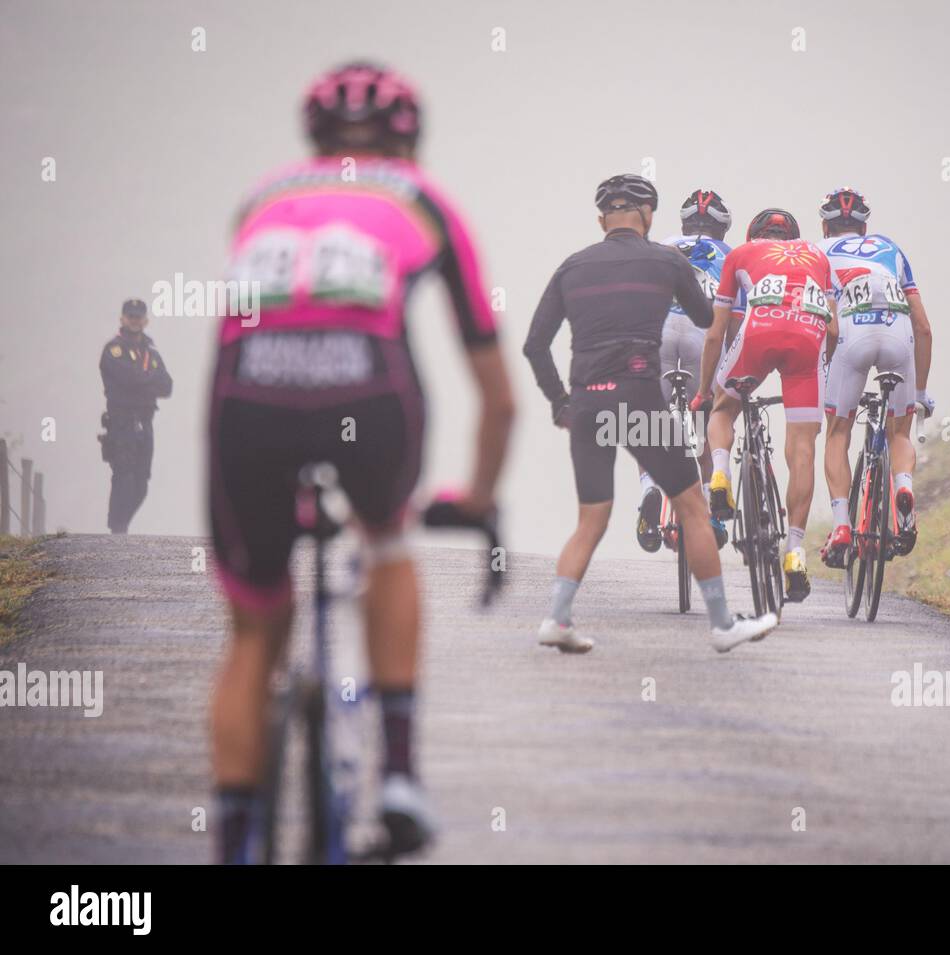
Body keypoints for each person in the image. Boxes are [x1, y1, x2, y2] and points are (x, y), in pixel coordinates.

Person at [207, 62, 514, 863]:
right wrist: (477, 497)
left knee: (252, 631)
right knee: (387, 540)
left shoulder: (263, 196)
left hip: (249, 396)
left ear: (313, 137)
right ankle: (400, 778)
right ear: (410, 138)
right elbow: (498, 392)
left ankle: (235, 841)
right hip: (367, 389)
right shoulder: (424, 199)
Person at [524, 174, 778, 654]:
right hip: (641, 400)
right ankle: (723, 625)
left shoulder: (572, 267)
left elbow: (535, 345)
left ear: (602, 220)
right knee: (692, 507)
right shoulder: (666, 260)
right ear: (646, 217)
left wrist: (561, 402)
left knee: (591, 520)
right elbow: (707, 320)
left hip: (588, 404)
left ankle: (557, 619)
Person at [696, 208, 837, 603]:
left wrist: (705, 390)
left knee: (723, 409)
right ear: (793, 237)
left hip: (758, 332)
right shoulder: (818, 257)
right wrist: (820, 369)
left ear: (754, 234)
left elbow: (716, 332)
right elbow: (835, 330)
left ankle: (720, 476)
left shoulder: (739, 254)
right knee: (804, 447)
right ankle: (794, 552)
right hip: (808, 342)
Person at [814, 188, 935, 567]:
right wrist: (921, 392)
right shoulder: (891, 249)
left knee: (837, 433)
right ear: (865, 227)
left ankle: (841, 526)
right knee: (900, 432)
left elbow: (825, 325)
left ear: (824, 225)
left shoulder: (818, 253)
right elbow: (925, 328)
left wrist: (822, 373)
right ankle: (903, 490)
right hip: (899, 332)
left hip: (851, 334)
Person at [636, 188, 733, 554]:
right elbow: (736, 316)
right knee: (711, 418)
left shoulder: (661, 245)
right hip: (701, 337)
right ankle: (708, 509)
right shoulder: (730, 255)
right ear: (722, 229)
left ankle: (649, 490)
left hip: (658, 334)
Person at [99, 298, 172, 534]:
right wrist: (147, 379)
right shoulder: (113, 350)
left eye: (138, 316)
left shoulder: (151, 353)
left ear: (145, 320)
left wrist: (142, 380)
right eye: (130, 316)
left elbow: (167, 386)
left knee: (141, 483)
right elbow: (127, 379)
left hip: (145, 422)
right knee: (124, 475)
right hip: (121, 421)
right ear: (122, 319)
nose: (134, 320)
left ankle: (121, 524)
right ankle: (117, 528)